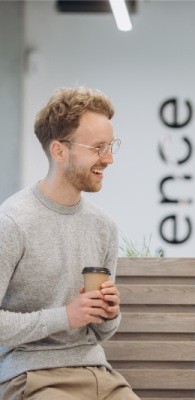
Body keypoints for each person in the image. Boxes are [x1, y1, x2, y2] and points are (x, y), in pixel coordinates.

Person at [0, 87, 140, 399]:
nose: (110, 159)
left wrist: (109, 313)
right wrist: (65, 316)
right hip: (31, 378)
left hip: (100, 376)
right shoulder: (11, 222)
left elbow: (102, 331)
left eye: (112, 146)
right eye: (99, 148)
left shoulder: (103, 227)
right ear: (59, 151)